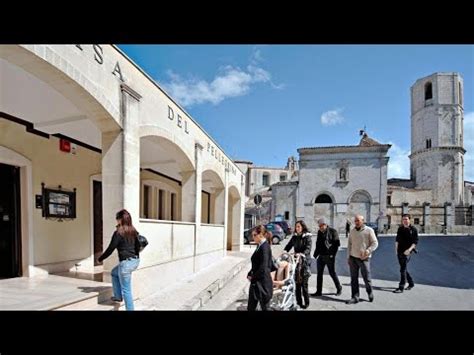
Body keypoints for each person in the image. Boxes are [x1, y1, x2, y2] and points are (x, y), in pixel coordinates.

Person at [97, 209, 140, 311]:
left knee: (127, 290)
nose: (116, 221)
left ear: (120, 220)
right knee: (114, 273)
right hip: (135, 261)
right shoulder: (133, 231)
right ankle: (117, 296)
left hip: (126, 264)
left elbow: (111, 248)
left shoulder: (118, 233)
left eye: (117, 219)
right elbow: (138, 246)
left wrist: (100, 259)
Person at [346, 215, 378, 305]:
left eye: (358, 220)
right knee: (353, 279)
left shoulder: (369, 230)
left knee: (366, 278)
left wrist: (368, 251)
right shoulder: (352, 231)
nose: (356, 222)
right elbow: (349, 245)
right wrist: (348, 257)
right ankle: (355, 297)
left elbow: (375, 243)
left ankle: (369, 292)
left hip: (364, 258)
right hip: (353, 258)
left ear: (363, 221)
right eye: (355, 221)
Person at [284, 220, 312, 309]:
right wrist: (285, 252)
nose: (297, 228)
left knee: (304, 284)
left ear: (302, 227)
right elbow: (289, 245)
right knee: (297, 284)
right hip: (296, 262)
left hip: (304, 262)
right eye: (296, 227)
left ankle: (306, 302)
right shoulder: (295, 237)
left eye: (299, 226)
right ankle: (299, 302)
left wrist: (302, 254)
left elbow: (308, 248)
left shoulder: (307, 237)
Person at [312, 218, 342, 297]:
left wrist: (332, 254)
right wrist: (315, 254)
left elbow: (337, 244)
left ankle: (339, 288)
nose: (321, 227)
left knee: (332, 273)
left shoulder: (333, 231)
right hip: (321, 256)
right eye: (319, 226)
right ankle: (319, 291)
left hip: (329, 256)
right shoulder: (319, 232)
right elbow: (318, 243)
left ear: (325, 225)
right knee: (319, 274)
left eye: (322, 225)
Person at [247, 225, 274, 311]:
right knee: (251, 307)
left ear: (261, 235)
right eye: (252, 235)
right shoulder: (260, 245)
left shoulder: (265, 247)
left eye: (255, 235)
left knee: (264, 308)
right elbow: (257, 264)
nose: (253, 237)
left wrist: (253, 277)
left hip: (262, 284)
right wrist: (250, 272)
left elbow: (264, 267)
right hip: (256, 282)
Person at [393, 214, 418, 293]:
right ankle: (411, 283)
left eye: (406, 219)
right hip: (400, 251)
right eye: (403, 219)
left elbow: (415, 242)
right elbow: (397, 240)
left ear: (409, 220)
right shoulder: (400, 229)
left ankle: (401, 287)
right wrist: (396, 250)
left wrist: (409, 250)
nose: (405, 221)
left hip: (407, 252)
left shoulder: (413, 229)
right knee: (403, 268)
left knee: (402, 269)